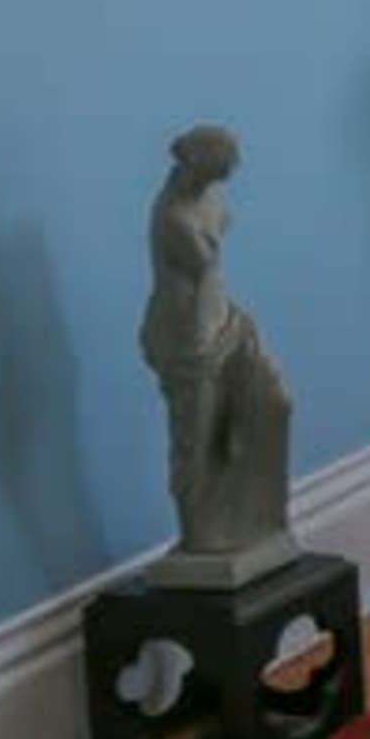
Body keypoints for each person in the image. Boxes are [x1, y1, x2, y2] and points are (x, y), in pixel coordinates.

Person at [142, 124, 296, 578]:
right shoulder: (173, 217)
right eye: (227, 159)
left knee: (273, 401)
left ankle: (252, 517)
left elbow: (218, 238)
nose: (235, 168)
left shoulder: (208, 203)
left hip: (225, 320)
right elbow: (200, 263)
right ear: (201, 161)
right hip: (188, 339)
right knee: (197, 438)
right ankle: (203, 535)